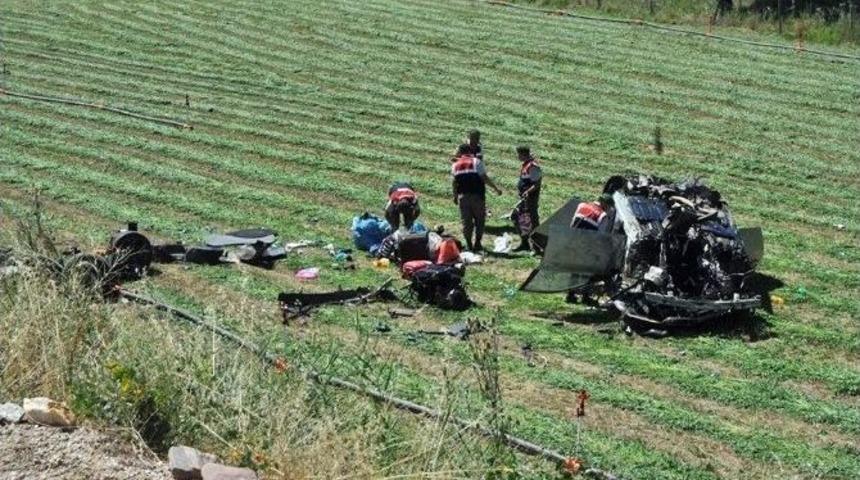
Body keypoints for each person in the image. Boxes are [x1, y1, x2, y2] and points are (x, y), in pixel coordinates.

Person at [451, 143, 502, 252]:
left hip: (463, 197)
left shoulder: (455, 165)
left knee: (466, 222)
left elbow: (454, 182)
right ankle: (477, 243)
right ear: (469, 151)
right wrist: (496, 189)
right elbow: (484, 178)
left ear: (460, 152)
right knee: (480, 220)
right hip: (477, 196)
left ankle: (469, 245)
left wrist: (455, 196)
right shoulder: (476, 162)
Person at [513, 145, 542, 252]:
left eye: (518, 154)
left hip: (530, 199)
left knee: (532, 222)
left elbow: (537, 184)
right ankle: (525, 243)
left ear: (523, 154)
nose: (517, 156)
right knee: (519, 218)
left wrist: (527, 192)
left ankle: (537, 247)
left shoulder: (532, 166)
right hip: (525, 198)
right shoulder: (527, 165)